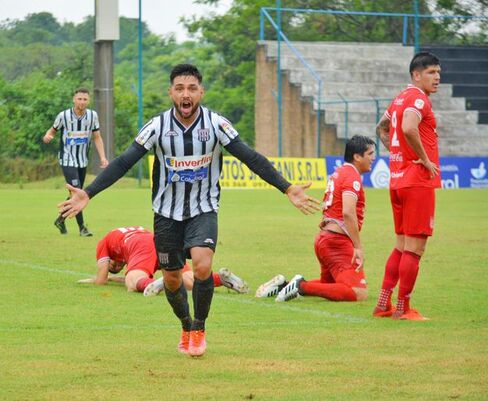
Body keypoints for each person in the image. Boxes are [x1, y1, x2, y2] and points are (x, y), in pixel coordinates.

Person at [58, 64, 320, 357]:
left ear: (201, 92)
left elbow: (250, 157)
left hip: (203, 209)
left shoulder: (217, 125)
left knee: (202, 265)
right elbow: (124, 162)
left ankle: (199, 327)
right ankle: (185, 324)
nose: (186, 94)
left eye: (192, 88)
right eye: (180, 88)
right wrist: (89, 192)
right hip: (166, 214)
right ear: (171, 92)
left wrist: (286, 187)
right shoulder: (156, 127)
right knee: (171, 278)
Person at [255, 135, 376, 303]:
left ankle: (284, 286)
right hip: (337, 242)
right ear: (357, 156)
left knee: (330, 284)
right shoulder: (351, 176)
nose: (373, 158)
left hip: (325, 239)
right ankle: (300, 287)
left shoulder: (339, 172)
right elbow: (348, 212)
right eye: (370, 153)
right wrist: (358, 247)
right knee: (357, 293)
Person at [372, 52, 442, 321]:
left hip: (399, 180)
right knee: (415, 248)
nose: (437, 77)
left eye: (438, 72)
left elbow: (382, 127)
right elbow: (410, 127)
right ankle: (403, 308)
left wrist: (395, 152)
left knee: (402, 245)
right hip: (417, 182)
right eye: (431, 72)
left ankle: (383, 304)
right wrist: (423, 160)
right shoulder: (417, 99)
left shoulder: (400, 97)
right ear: (416, 74)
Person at [76, 226, 249, 296]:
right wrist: (114, 277)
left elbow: (101, 280)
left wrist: (93, 280)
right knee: (188, 281)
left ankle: (159, 284)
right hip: (159, 239)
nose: (117, 266)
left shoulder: (104, 243)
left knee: (131, 282)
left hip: (140, 245)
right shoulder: (124, 234)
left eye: (112, 265)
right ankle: (222, 279)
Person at [43, 88, 109, 237]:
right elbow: (52, 131)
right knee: (78, 191)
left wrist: (103, 157)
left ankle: (60, 219)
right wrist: (47, 136)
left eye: (85, 99)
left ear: (88, 101)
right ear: (74, 99)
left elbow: (97, 137)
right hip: (67, 159)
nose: (82, 102)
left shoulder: (92, 116)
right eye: (79, 99)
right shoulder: (64, 116)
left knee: (78, 193)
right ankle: (82, 228)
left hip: (82, 160)